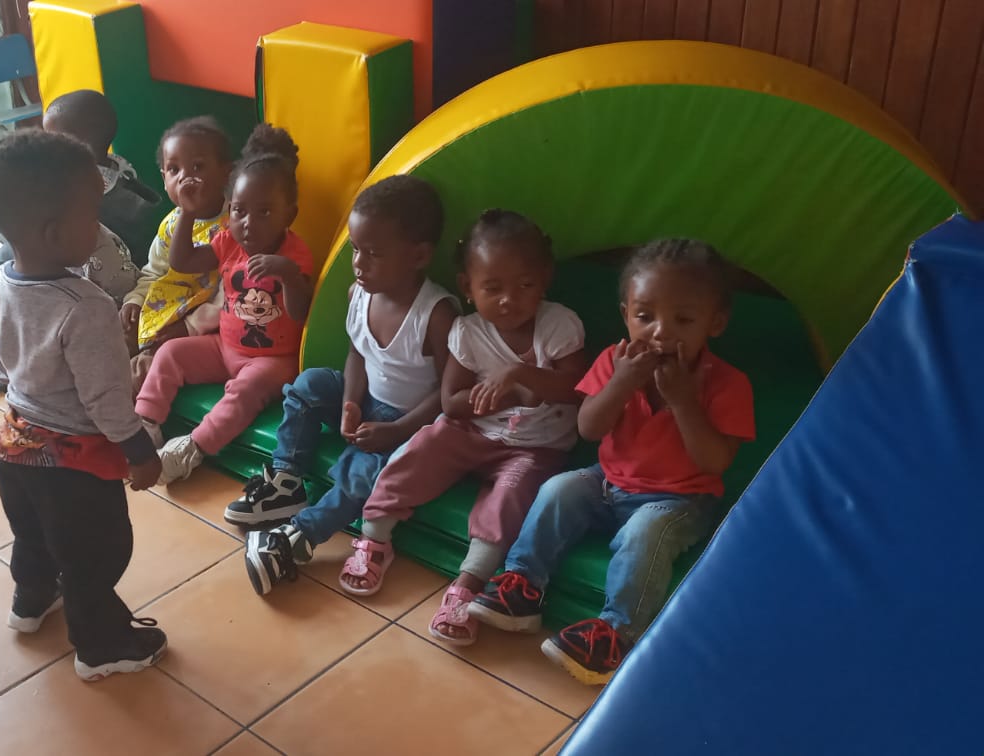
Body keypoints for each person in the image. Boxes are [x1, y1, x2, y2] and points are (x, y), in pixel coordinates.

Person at [468, 239, 754, 685]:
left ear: (714, 322)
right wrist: (621, 383)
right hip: (608, 483)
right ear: (626, 315)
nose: (660, 332)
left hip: (680, 499)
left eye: (683, 320)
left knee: (644, 533)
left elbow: (714, 462)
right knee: (558, 489)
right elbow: (589, 427)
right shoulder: (613, 361)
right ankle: (522, 588)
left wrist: (683, 401)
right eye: (645, 316)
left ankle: (617, 634)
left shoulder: (728, 384)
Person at [344, 211, 587, 646]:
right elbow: (451, 402)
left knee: (511, 494)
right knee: (425, 445)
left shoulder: (558, 325)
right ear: (467, 288)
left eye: (525, 285)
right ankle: (374, 538)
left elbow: (576, 390)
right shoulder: (467, 332)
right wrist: (500, 396)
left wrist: (520, 375)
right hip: (472, 433)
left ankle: (469, 584)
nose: (509, 299)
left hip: (534, 447)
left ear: (545, 279)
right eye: (493, 288)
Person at [0, 128, 168, 681]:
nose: (102, 228)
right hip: (74, 469)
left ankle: (31, 601)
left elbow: (3, 363)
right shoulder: (86, 306)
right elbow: (106, 400)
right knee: (95, 557)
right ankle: (100, 646)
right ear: (53, 232)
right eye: (93, 215)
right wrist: (140, 452)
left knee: (34, 537)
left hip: (14, 446)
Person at [235, 176, 458, 595]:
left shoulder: (437, 314)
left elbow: (448, 396)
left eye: (374, 253)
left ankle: (298, 537)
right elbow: (358, 353)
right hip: (367, 397)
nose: (359, 263)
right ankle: (286, 479)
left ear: (419, 256)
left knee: (363, 472)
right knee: (309, 384)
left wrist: (396, 430)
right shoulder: (361, 293)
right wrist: (350, 403)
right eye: (356, 249)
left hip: (412, 422)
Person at [134, 124, 313, 484]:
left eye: (264, 212)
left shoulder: (295, 254)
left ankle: (192, 448)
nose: (248, 223)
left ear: (289, 216)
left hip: (271, 360)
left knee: (245, 392)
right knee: (170, 353)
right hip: (224, 347)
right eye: (239, 211)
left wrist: (289, 275)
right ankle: (145, 424)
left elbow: (300, 314)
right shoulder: (228, 240)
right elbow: (183, 261)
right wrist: (187, 211)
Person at [0, 89, 157, 390]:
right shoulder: (119, 168)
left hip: (97, 267)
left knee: (18, 265)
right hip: (121, 261)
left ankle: (23, 360)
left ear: (75, 145)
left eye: (52, 138)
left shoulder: (71, 186)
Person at [122, 116, 236, 390]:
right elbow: (155, 272)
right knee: (113, 339)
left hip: (202, 322)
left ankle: (127, 405)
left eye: (197, 167)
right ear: (164, 179)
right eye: (174, 169)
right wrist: (134, 301)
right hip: (162, 312)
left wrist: (190, 326)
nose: (185, 177)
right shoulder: (171, 223)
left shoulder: (235, 223)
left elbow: (230, 293)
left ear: (226, 173)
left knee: (145, 368)